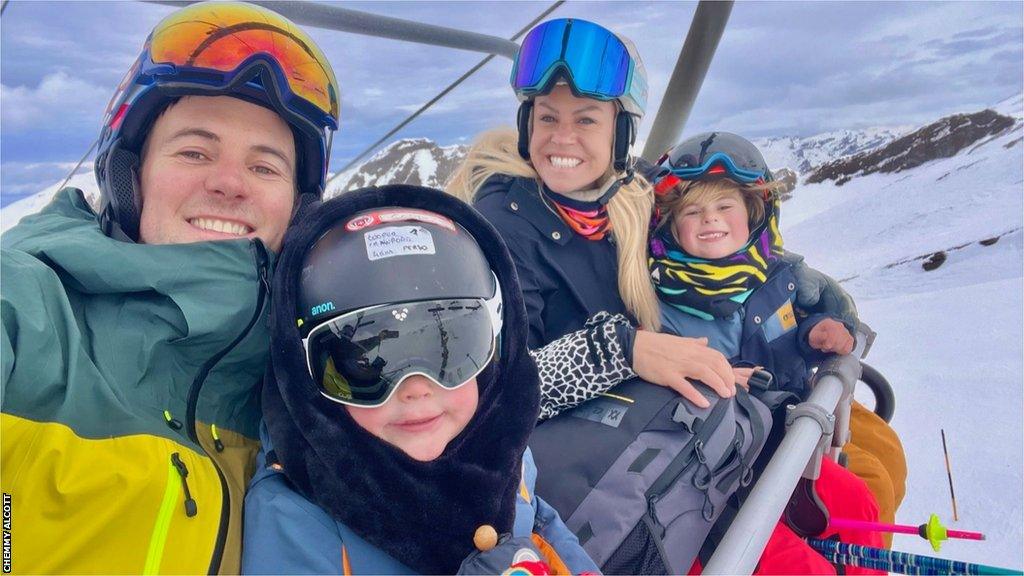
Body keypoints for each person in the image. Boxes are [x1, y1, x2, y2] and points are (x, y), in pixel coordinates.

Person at [0, 2, 339, 573]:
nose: (229, 183)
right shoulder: (27, 309)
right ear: (131, 173)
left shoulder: (323, 370)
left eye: (264, 167)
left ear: (298, 206)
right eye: (194, 151)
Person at [447, 17, 859, 419]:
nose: (562, 137)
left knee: (877, 454)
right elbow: (495, 394)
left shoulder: (635, 190)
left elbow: (714, 237)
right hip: (606, 447)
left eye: (586, 119)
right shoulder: (501, 227)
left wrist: (791, 282)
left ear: (620, 134)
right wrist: (624, 352)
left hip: (693, 400)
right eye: (548, 117)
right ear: (527, 125)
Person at [242, 185, 599, 575]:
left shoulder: (503, 457)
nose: (415, 388)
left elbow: (546, 533)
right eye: (365, 363)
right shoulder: (297, 524)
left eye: (451, 346)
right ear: (308, 374)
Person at [649, 131, 906, 547]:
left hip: (803, 405)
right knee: (865, 487)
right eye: (692, 212)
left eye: (724, 206)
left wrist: (816, 332)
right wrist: (723, 378)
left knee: (886, 451)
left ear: (754, 213)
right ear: (671, 226)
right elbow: (665, 368)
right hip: (749, 440)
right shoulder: (664, 301)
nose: (710, 219)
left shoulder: (778, 277)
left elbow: (792, 325)